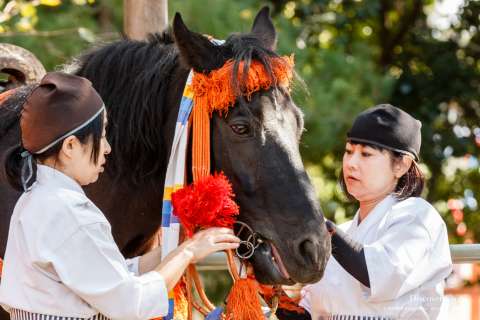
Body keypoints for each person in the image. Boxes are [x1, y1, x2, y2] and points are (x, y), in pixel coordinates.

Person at [0, 72, 240, 320]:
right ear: (70, 146)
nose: (107, 148)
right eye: (101, 136)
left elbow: (103, 277)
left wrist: (172, 246)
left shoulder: (34, 200)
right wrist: (187, 252)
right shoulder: (70, 212)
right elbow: (130, 304)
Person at [277, 104, 452, 320]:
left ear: (402, 165)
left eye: (366, 154)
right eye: (349, 152)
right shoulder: (341, 234)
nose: (351, 163)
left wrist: (318, 227)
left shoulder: (419, 218)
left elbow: (378, 273)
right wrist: (269, 292)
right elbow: (307, 317)